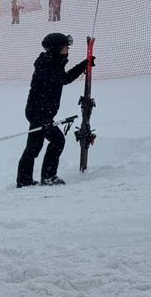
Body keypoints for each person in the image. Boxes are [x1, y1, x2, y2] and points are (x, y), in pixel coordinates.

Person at [16, 33, 94, 188]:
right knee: (57, 141)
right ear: (56, 49)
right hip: (39, 113)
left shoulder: (52, 62)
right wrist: (83, 65)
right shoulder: (47, 65)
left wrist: (85, 64)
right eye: (65, 47)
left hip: (39, 112)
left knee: (34, 147)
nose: (68, 50)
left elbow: (63, 77)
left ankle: (25, 180)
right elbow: (64, 79)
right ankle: (48, 177)